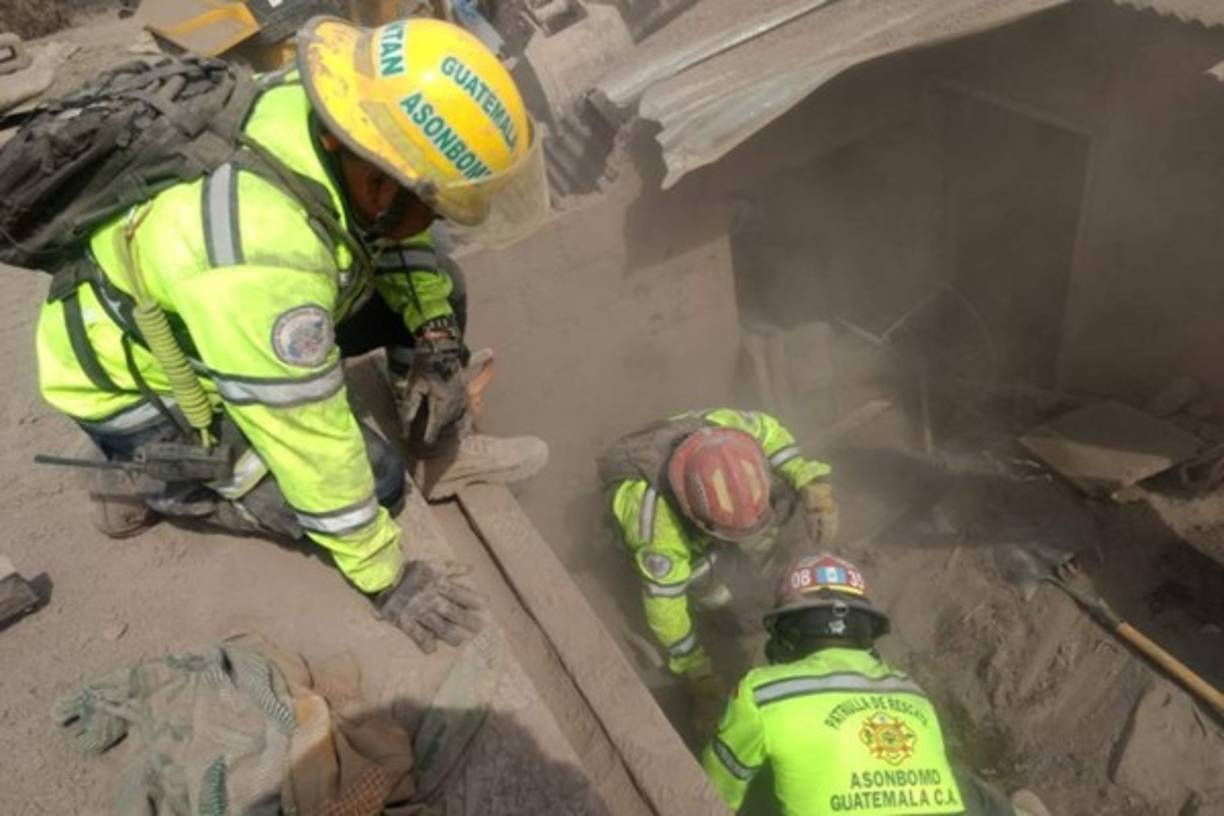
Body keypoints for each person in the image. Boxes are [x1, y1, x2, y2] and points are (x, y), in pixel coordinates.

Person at [32, 16, 548, 652]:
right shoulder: (263, 259)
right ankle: (145, 481)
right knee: (374, 484)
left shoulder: (331, 119)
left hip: (208, 320)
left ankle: (437, 454)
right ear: (381, 179)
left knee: (443, 285)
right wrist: (387, 579)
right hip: (139, 385)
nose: (432, 223)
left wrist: (437, 340)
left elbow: (393, 236)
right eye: (431, 205)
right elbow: (308, 436)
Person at [701, 553, 1050, 816]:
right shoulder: (909, 690)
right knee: (961, 786)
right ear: (866, 631)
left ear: (786, 634)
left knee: (762, 780)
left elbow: (715, 793)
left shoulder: (762, 692)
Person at [596, 408, 836, 732]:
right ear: (696, 517)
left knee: (786, 492)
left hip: (677, 455)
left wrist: (808, 481)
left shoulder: (731, 434)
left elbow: (770, 430)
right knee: (721, 600)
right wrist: (697, 671)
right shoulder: (658, 528)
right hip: (636, 479)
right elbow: (665, 608)